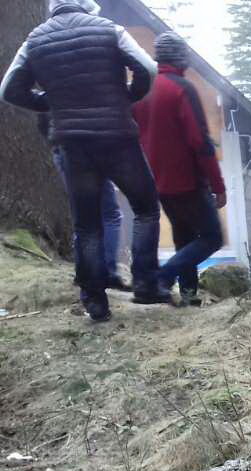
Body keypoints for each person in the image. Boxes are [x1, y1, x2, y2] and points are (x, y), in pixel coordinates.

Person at [1, 0, 166, 323]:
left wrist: (47, 103)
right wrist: (128, 95)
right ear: (84, 5)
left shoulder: (35, 39)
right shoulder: (109, 30)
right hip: (118, 137)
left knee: (87, 225)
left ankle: (94, 301)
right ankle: (146, 283)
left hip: (73, 145)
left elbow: (8, 89)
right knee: (146, 208)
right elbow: (147, 68)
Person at [132, 32, 226, 306]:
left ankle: (188, 295)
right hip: (187, 181)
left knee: (184, 236)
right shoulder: (181, 88)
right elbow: (201, 143)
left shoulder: (143, 90)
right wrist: (217, 186)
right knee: (212, 237)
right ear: (181, 58)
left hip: (157, 181)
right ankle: (161, 278)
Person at [40, 113, 129, 291]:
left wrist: (53, 141)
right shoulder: (93, 88)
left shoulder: (53, 87)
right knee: (110, 215)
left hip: (64, 148)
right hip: (94, 146)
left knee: (83, 218)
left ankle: (84, 274)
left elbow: (42, 120)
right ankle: (108, 272)